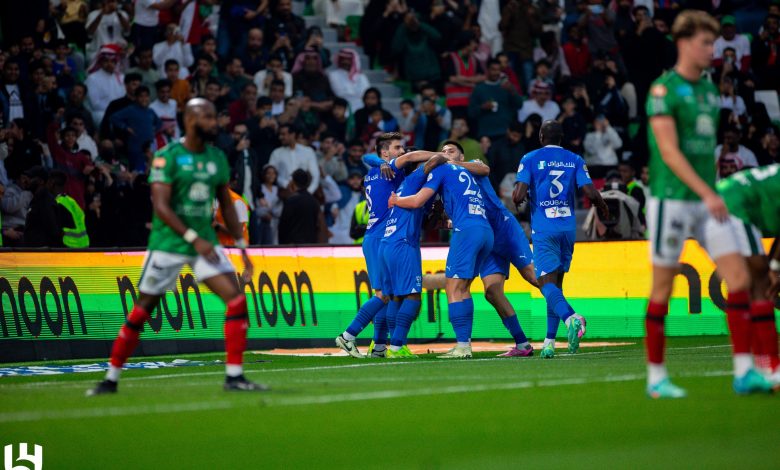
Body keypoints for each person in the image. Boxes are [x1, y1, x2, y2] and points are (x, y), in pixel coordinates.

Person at [87, 98, 264, 395]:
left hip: (204, 243)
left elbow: (228, 206)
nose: (214, 122)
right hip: (169, 243)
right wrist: (193, 238)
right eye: (207, 117)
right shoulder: (166, 157)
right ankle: (111, 378)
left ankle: (234, 376)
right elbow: (161, 208)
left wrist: (243, 249)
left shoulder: (217, 158)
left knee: (236, 299)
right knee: (144, 308)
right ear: (190, 119)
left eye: (213, 116)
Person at [643, 11, 772, 398]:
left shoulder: (709, 91)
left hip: (706, 200)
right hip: (672, 202)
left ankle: (744, 371)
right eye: (705, 42)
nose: (712, 50)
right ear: (684, 43)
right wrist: (708, 191)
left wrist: (709, 191)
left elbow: (701, 151)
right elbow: (668, 152)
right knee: (662, 289)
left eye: (713, 43)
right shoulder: (663, 90)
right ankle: (656, 377)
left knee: (740, 279)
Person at [512, 120, 608, 358]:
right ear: (562, 138)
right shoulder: (575, 159)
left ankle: (572, 319)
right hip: (567, 228)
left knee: (545, 284)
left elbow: (518, 195)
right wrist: (603, 206)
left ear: (541, 136)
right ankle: (549, 343)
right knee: (556, 286)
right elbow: (589, 192)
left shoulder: (530, 158)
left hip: (545, 228)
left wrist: (518, 195)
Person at [390, 148, 495, 360]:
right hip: (485, 230)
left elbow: (418, 200)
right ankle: (465, 345)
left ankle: (462, 346)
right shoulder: (468, 173)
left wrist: (396, 200)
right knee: (463, 288)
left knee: (452, 287)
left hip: (465, 231)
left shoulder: (441, 170)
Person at [335, 133, 432, 358]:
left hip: (376, 236)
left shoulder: (373, 172)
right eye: (398, 147)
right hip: (381, 237)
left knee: (386, 294)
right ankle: (348, 336)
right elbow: (411, 157)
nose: (402, 151)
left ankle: (378, 347)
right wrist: (442, 156)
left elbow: (368, 157)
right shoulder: (392, 167)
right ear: (386, 152)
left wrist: (379, 161)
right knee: (382, 295)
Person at [438, 142, 538, 357]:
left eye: (451, 151)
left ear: (461, 155)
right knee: (492, 292)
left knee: (533, 276)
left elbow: (485, 169)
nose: (447, 155)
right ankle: (522, 344)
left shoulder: (472, 164)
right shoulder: (448, 181)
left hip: (504, 227)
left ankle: (570, 316)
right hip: (484, 235)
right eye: (443, 152)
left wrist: (454, 163)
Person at [716, 164, 780, 386]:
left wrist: (775, 266)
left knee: (751, 283)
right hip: (735, 205)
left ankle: (761, 365)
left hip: (725, 198)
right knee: (759, 279)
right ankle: (772, 366)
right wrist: (775, 268)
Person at [468, 59, 522, 141]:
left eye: (498, 70)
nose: (496, 73)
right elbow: (471, 113)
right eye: (493, 69)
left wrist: (512, 91)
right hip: (486, 135)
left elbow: (519, 105)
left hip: (505, 133)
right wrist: (483, 107)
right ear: (487, 70)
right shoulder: (478, 89)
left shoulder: (507, 87)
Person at [110, 86, 163, 172]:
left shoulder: (150, 111)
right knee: (137, 171)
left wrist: (154, 130)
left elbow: (159, 123)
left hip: (149, 147)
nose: (144, 99)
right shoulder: (130, 110)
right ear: (136, 98)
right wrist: (125, 127)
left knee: (152, 169)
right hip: (135, 147)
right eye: (141, 96)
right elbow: (114, 117)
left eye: (146, 96)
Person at [268, 124, 320, 194]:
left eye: (283, 134)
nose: (280, 137)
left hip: (304, 193)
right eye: (280, 134)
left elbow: (315, 175)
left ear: (292, 134)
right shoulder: (276, 153)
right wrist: (286, 184)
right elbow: (270, 174)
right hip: (283, 194)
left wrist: (308, 192)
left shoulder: (308, 151)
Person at [278, 169, 322, 244]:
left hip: (292, 246)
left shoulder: (291, 201)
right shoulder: (314, 201)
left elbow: (283, 226)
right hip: (310, 246)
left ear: (293, 182)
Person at [583, 115, 622, 179]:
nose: (600, 124)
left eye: (602, 122)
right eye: (598, 123)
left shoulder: (610, 133)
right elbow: (592, 150)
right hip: (595, 167)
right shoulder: (589, 136)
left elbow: (618, 144)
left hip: (610, 165)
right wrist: (598, 133)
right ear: (594, 124)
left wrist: (608, 127)